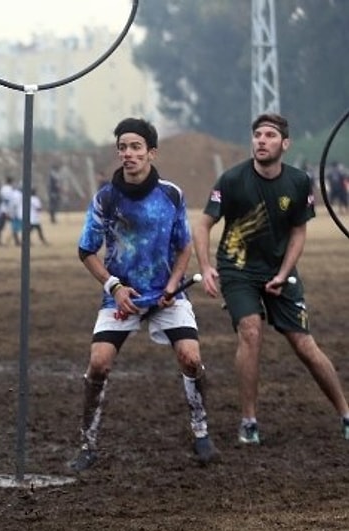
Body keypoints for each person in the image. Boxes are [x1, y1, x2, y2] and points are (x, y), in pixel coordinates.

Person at [70, 118, 219, 471]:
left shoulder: (171, 195)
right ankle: (87, 444)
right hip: (121, 296)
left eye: (136, 147)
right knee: (98, 363)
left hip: (166, 295)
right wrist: (114, 286)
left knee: (191, 359)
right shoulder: (106, 198)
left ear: (151, 152)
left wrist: (173, 285)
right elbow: (86, 250)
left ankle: (201, 432)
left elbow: (184, 246)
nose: (128, 153)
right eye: (123, 147)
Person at [193, 113, 349, 445]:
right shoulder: (232, 179)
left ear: (285, 144)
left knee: (304, 345)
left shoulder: (299, 181)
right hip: (238, 269)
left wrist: (282, 273)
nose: (261, 140)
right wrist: (206, 267)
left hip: (280, 270)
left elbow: (298, 231)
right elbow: (203, 225)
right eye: (258, 135)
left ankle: (346, 414)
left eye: (270, 135)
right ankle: (249, 421)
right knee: (251, 331)